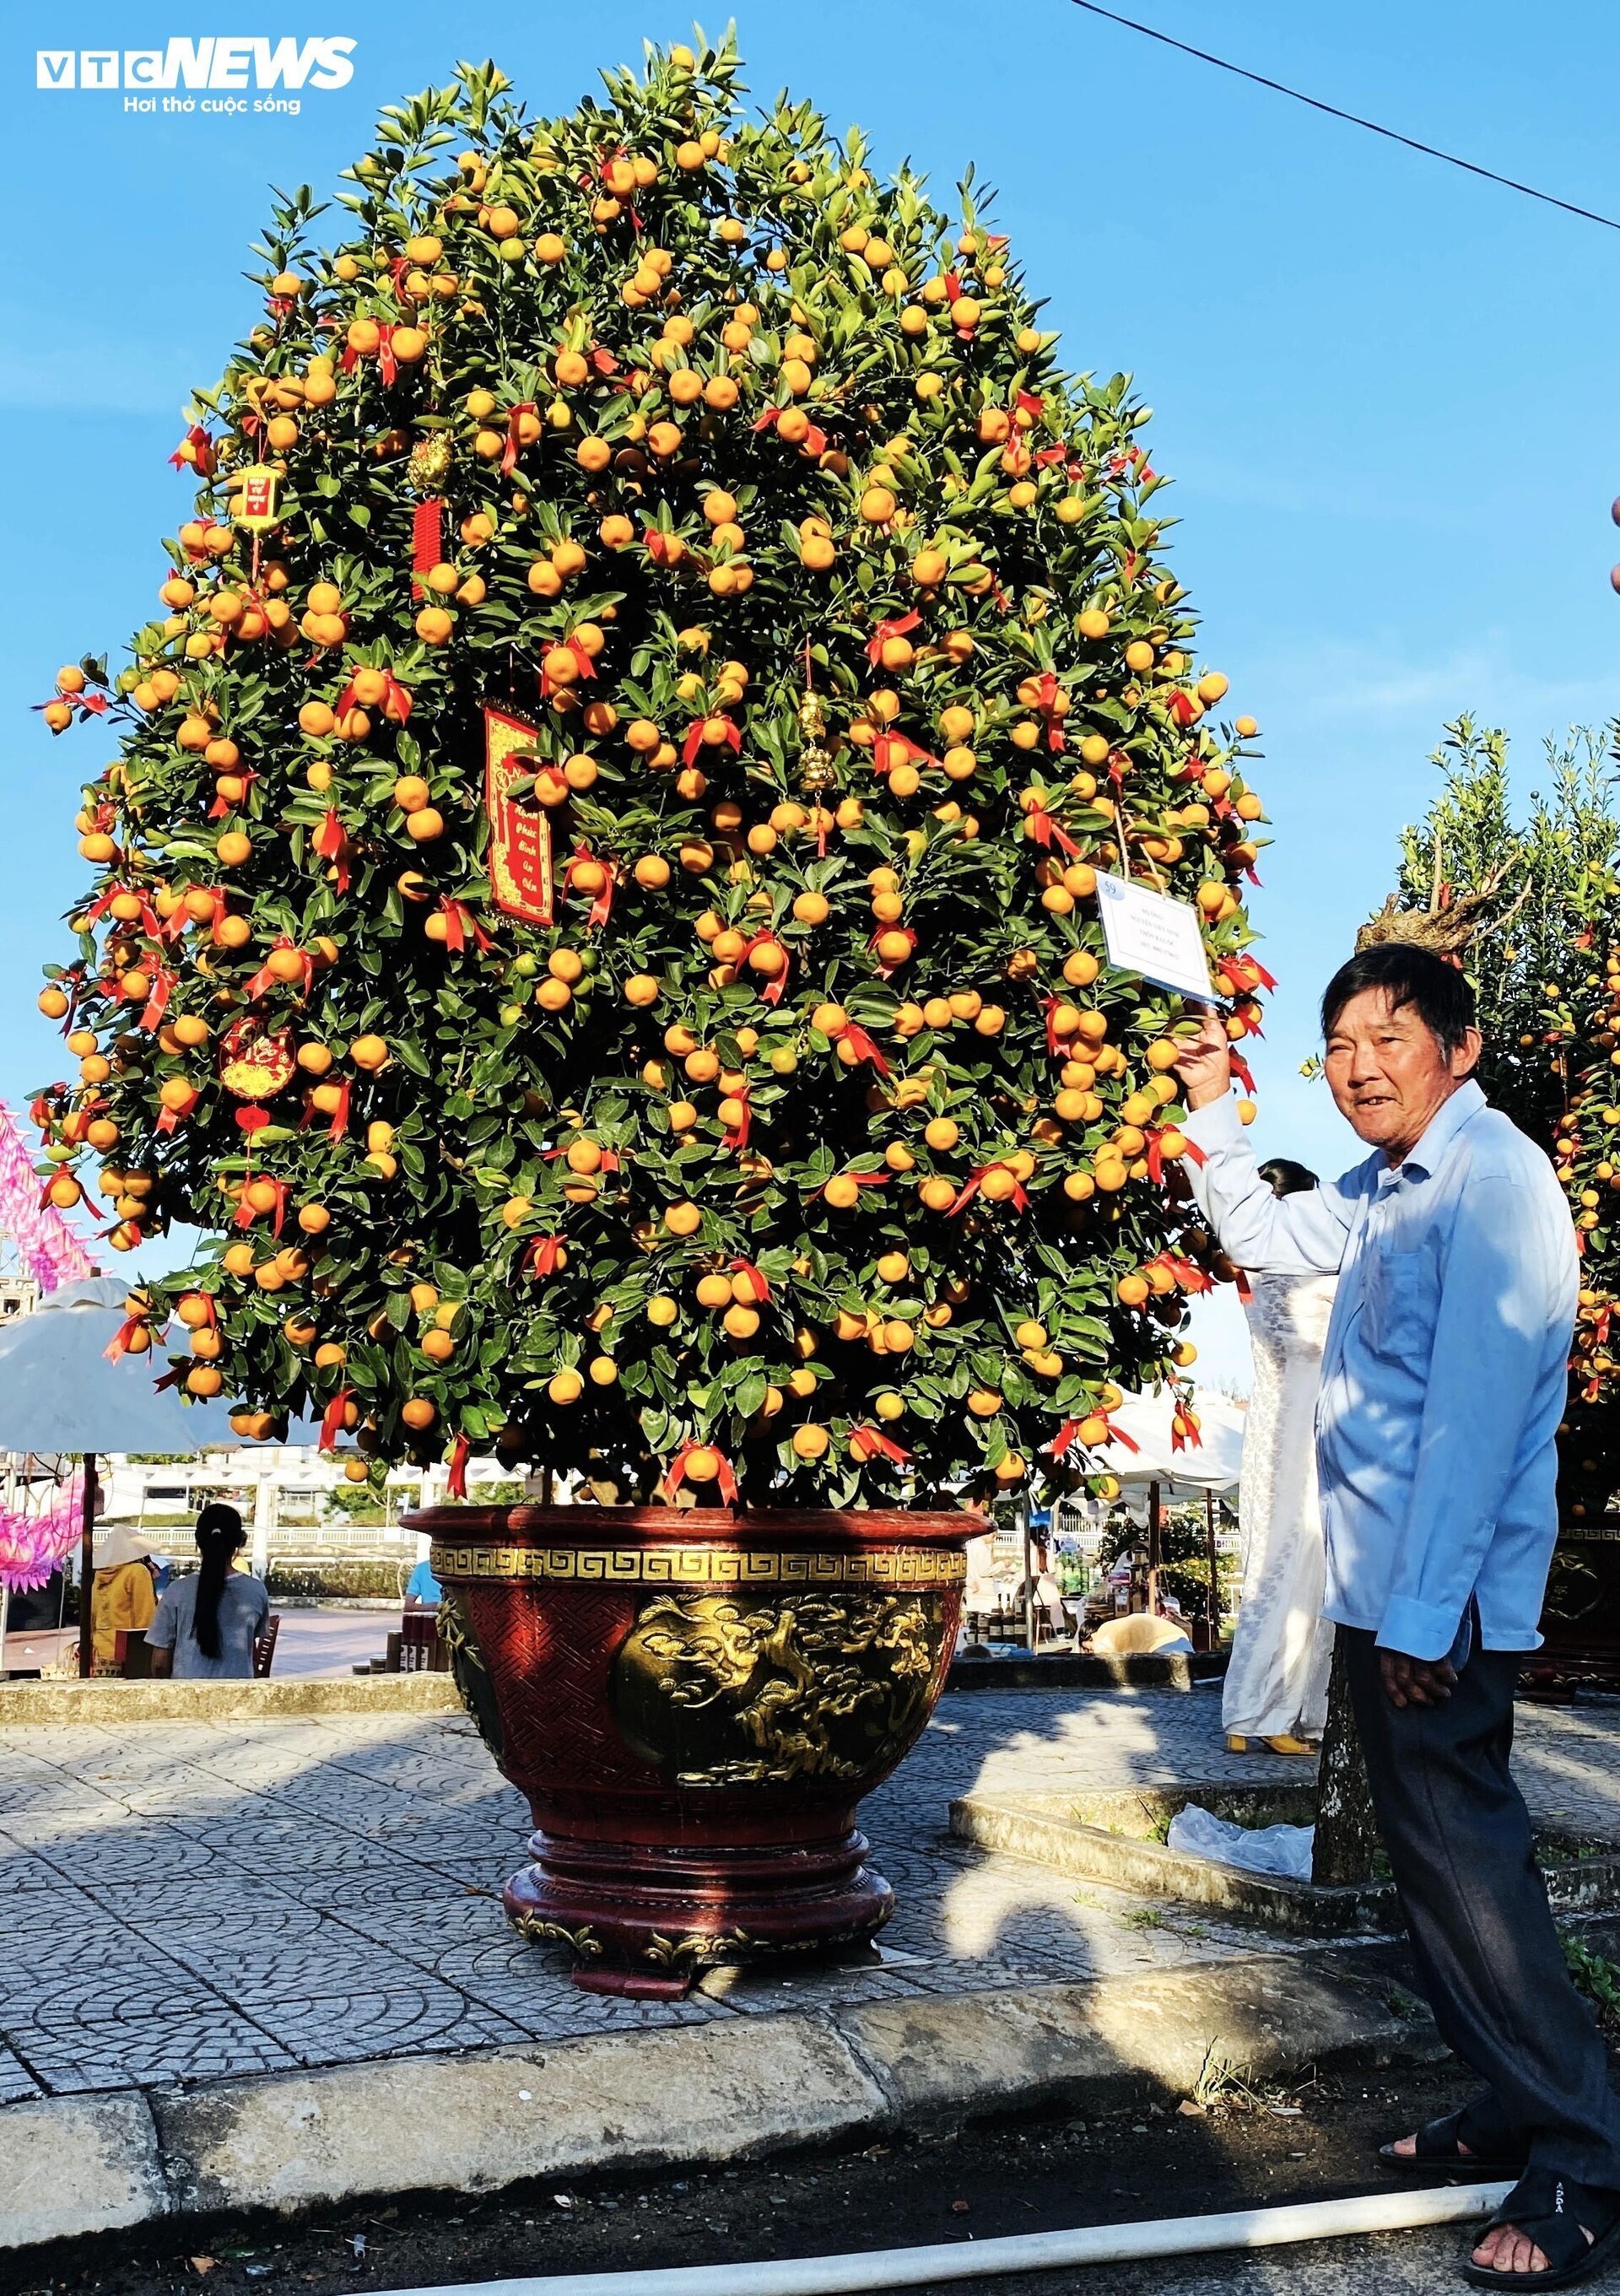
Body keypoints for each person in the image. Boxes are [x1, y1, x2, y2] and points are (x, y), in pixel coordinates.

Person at [1175, 940, 1620, 2288]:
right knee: (1435, 1877)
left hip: (1443, 1606)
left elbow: (1478, 1424)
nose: (1362, 1066)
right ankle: (1505, 2094)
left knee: (1472, 1878)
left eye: (1391, 1036)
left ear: (1458, 1048)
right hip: (1386, 1594)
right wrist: (1211, 1102)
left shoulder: (1496, 1186)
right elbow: (1260, 1233)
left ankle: (1585, 2158)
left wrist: (1428, 1619)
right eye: (1341, 1046)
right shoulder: (1379, 1190)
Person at [1223, 1157, 1337, 1756]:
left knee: (1274, 1566)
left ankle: (1254, 1712)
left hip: (1272, 1419)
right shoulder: (1316, 1274)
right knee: (1301, 1566)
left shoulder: (1251, 1267)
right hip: (1307, 1423)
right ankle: (1273, 1713)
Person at [146, 1503, 269, 1681]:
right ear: (241, 1541)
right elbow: (252, 1649)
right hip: (239, 1699)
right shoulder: (256, 1591)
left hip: (185, 1697)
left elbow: (160, 1663)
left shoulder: (176, 1592)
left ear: (198, 1541)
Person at [90, 1526, 158, 1671]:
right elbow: (145, 1619)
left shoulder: (99, 1575)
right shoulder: (137, 1572)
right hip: (126, 1655)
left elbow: (92, 1616)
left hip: (99, 1654)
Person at [403, 1531, 441, 1611]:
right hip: (432, 1617)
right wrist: (434, 1607)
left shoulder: (421, 1568)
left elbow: (408, 1605)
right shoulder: (421, 1568)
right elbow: (408, 1605)